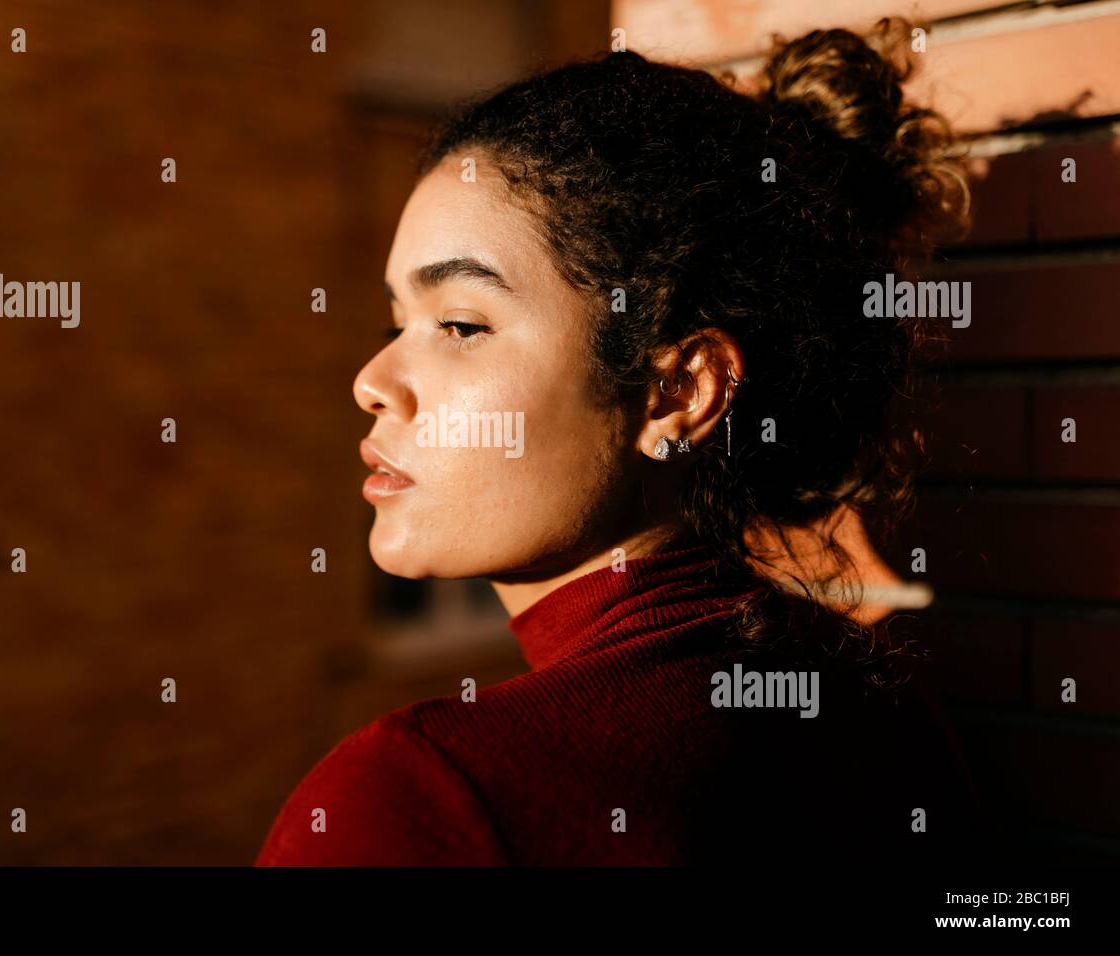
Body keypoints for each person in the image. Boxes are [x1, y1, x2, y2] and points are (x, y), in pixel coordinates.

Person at [256, 19, 982, 866]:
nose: (373, 379)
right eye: (396, 321)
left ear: (680, 392)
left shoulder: (418, 801)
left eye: (459, 324)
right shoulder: (875, 704)